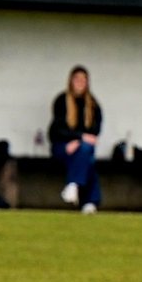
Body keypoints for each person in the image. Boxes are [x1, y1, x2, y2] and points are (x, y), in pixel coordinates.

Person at [49, 65, 102, 214]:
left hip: (81, 149)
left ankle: (73, 185)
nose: (80, 83)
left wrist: (79, 141)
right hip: (62, 147)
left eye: (83, 80)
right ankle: (91, 201)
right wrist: (75, 139)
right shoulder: (61, 101)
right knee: (87, 158)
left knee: (86, 153)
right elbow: (56, 130)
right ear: (71, 81)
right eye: (77, 79)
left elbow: (94, 132)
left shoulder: (93, 105)